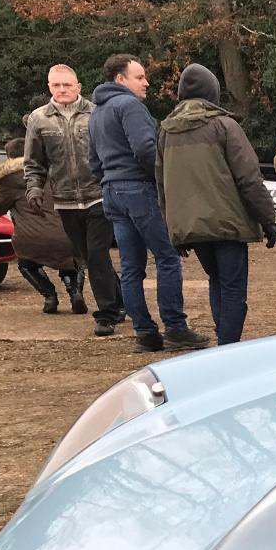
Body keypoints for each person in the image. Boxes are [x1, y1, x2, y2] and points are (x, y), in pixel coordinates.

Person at [89, 53, 207, 352]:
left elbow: (93, 162)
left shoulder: (97, 112)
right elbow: (145, 149)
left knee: (131, 267)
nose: (146, 82)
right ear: (120, 79)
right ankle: (176, 328)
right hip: (139, 190)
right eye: (139, 77)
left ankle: (145, 332)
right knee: (167, 258)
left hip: (112, 193)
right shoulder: (129, 105)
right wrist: (163, 180)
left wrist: (111, 180)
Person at [156, 64, 276, 345]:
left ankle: (224, 343)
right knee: (233, 288)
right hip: (227, 223)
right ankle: (228, 347)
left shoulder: (166, 132)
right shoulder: (224, 126)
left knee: (216, 281)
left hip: (190, 227)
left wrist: (173, 228)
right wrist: (267, 219)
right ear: (214, 93)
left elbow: (162, 185)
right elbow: (249, 178)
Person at [23, 64, 124, 335]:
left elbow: (112, 152)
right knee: (89, 257)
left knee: (98, 254)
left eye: (67, 84)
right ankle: (121, 300)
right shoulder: (39, 118)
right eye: (56, 85)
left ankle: (106, 315)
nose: (62, 89)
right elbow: (34, 162)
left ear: (78, 86)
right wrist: (33, 189)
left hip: (99, 196)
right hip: (65, 200)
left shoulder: (96, 113)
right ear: (49, 88)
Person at [0, 137, 83, 314]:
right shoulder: (56, 172)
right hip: (67, 236)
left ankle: (50, 296)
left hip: (31, 239)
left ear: (9, 157)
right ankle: (75, 291)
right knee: (72, 260)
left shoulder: (9, 180)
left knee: (26, 263)